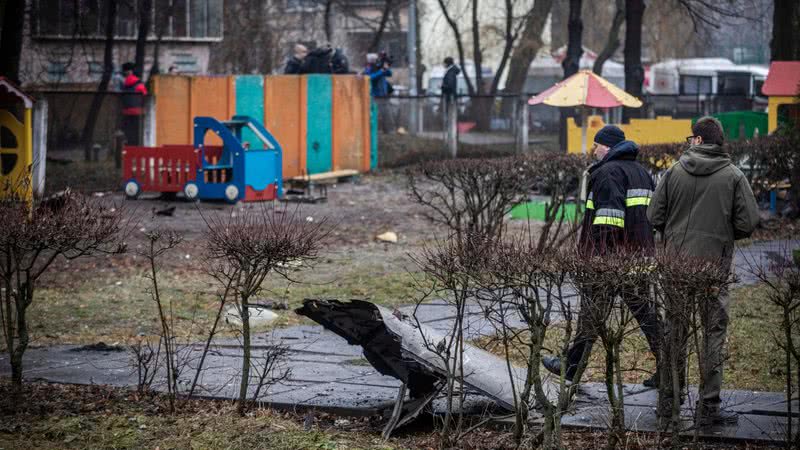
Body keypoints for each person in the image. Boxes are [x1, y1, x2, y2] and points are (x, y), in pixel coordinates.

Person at [647, 117, 759, 426]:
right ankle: (709, 407)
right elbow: (748, 223)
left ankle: (668, 403)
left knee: (674, 332)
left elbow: (653, 214)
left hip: (676, 266)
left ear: (697, 140)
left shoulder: (673, 172)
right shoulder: (734, 176)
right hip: (713, 268)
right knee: (713, 334)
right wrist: (721, 236)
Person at [542, 125, 663, 387]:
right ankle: (669, 368)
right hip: (638, 257)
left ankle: (570, 368)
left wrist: (597, 259)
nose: (593, 150)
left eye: (596, 145)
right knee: (646, 314)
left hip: (609, 261)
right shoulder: (641, 172)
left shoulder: (608, 173)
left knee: (591, 316)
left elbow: (609, 219)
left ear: (606, 146)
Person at [120, 62, 147, 146]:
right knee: (137, 134)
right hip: (138, 112)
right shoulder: (139, 83)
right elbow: (145, 95)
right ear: (132, 71)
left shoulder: (124, 84)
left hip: (126, 111)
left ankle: (128, 148)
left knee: (127, 133)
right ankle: (136, 149)